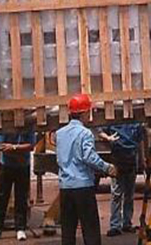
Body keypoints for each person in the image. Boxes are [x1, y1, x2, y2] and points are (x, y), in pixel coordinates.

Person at [56, 94, 117, 245]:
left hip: (65, 187)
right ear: (84, 113)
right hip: (83, 187)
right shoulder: (85, 133)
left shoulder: (59, 134)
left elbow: (59, 159)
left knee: (68, 231)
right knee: (90, 231)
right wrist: (107, 167)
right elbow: (89, 157)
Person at [98, 123, 146, 237]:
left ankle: (125, 224)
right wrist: (108, 138)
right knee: (117, 194)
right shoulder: (115, 120)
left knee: (127, 194)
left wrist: (142, 159)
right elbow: (100, 132)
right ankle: (116, 225)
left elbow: (140, 142)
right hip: (118, 161)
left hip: (131, 160)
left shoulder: (136, 123)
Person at [0, 129, 37, 241]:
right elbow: (1, 146)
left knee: (21, 197)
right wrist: (20, 149)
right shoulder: (5, 125)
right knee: (1, 197)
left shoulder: (28, 124)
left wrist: (14, 148)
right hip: (6, 165)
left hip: (23, 166)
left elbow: (31, 146)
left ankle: (20, 228)